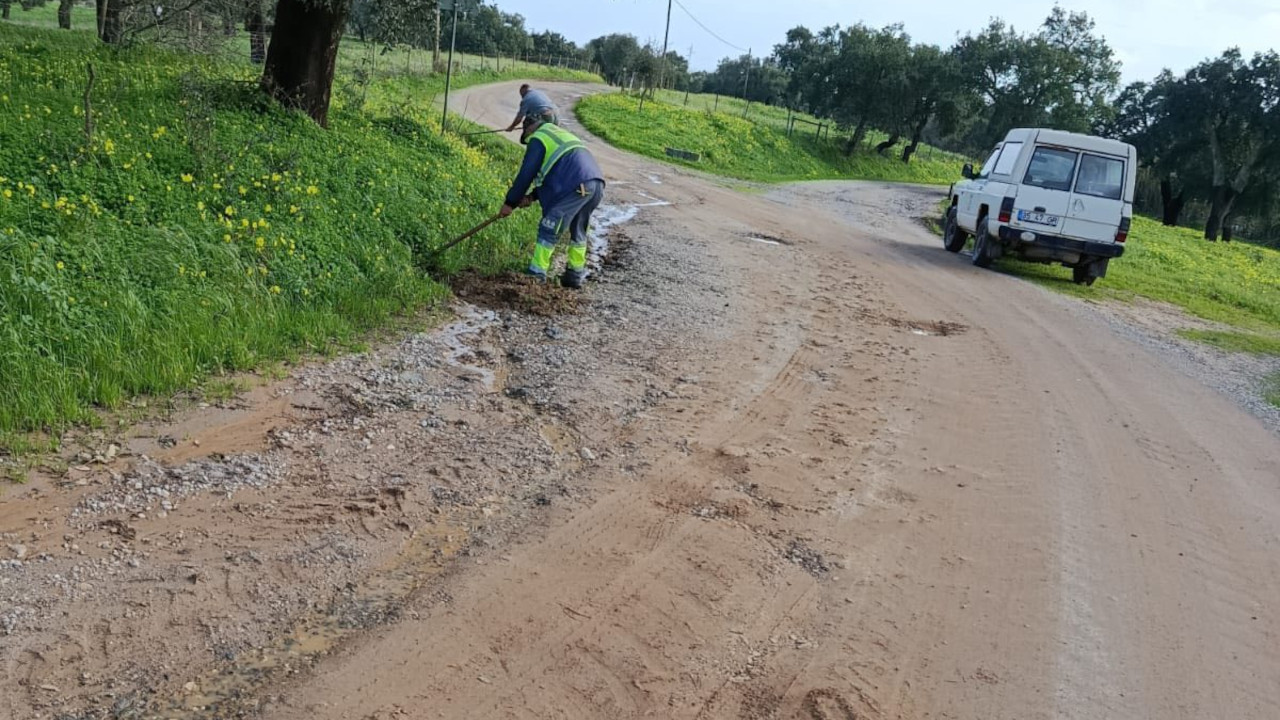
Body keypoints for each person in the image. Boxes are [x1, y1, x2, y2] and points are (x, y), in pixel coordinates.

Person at [500, 117, 605, 289]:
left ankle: (536, 274)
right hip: (595, 184)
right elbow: (556, 174)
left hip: (576, 185)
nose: (529, 144)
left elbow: (526, 173)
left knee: (549, 227)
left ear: (528, 130)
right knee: (578, 229)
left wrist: (509, 203)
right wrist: (532, 197)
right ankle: (574, 274)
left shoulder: (539, 138)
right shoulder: (558, 134)